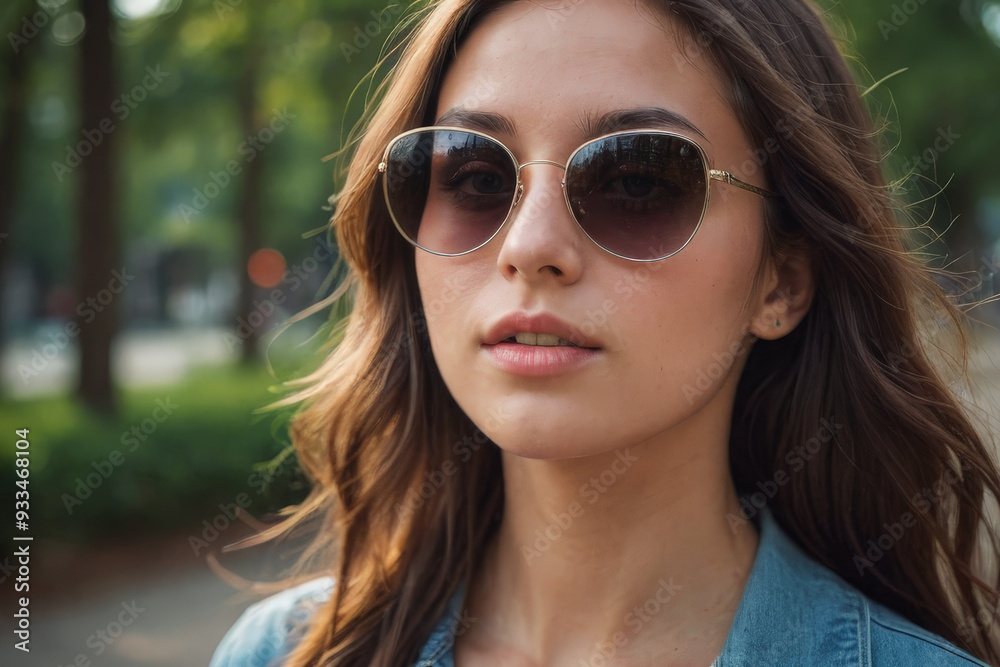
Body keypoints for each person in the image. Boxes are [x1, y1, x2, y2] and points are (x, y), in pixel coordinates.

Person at [209, 0, 1000, 665]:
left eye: (636, 180)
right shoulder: (281, 651)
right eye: (476, 178)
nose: (529, 247)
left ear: (782, 281)